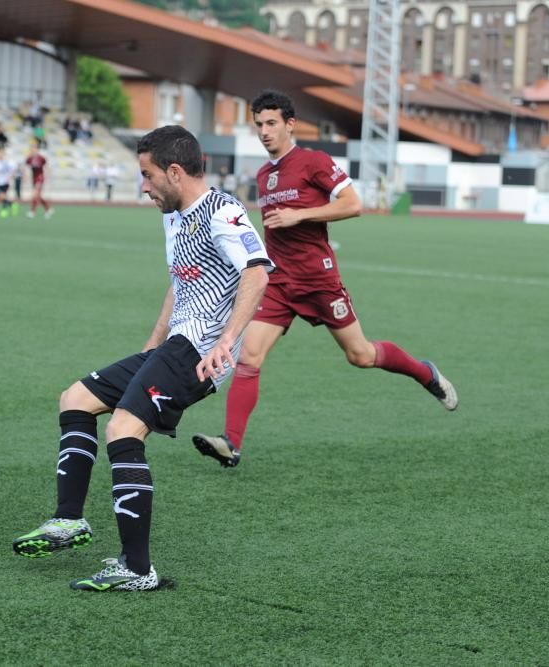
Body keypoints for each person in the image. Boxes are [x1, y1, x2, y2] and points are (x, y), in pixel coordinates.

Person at [11, 125, 272, 591]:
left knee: (123, 430)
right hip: (174, 345)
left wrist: (226, 340)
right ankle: (69, 519)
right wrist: (152, 343)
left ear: (174, 171)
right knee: (76, 399)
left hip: (200, 353)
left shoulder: (222, 210)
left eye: (148, 175)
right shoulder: (173, 214)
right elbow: (181, 281)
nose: (144, 186)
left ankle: (137, 569)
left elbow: (256, 272)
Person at [191, 89, 457, 469]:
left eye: (271, 123)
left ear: (290, 124)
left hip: (318, 279)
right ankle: (230, 443)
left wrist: (299, 215)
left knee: (360, 355)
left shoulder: (312, 161)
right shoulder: (264, 174)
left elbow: (353, 204)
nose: (265, 131)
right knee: (249, 355)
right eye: (259, 125)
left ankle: (424, 372)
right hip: (279, 283)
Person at [25, 146, 52, 218]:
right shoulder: (29, 158)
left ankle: (32, 211)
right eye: (32, 149)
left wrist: (48, 175)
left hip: (40, 178)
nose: (33, 151)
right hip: (33, 179)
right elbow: (26, 167)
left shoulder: (41, 158)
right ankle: (48, 208)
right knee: (38, 196)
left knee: (35, 194)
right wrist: (26, 176)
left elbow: (46, 166)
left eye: (34, 149)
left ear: (37, 150)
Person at [0, 149, 16, 218]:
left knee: (2, 196)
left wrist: (10, 178)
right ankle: (12, 204)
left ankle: (4, 211)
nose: (0, 155)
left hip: (5, 182)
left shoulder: (7, 162)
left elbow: (13, 171)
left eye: (1, 153)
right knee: (0, 197)